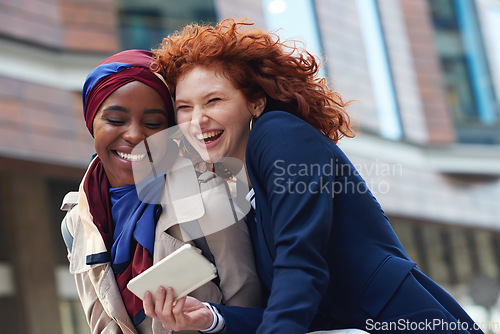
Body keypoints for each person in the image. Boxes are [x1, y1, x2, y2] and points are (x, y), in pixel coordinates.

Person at [148, 18, 484, 334]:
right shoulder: (245, 187)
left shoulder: (279, 134)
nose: (197, 120)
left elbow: (301, 265)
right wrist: (210, 317)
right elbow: (302, 307)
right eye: (185, 107)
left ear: (255, 103)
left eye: (214, 100)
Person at [60, 49, 262, 334]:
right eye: (116, 120)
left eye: (153, 124)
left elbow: (249, 314)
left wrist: (208, 322)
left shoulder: (210, 200)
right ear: (91, 122)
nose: (134, 135)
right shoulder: (77, 222)